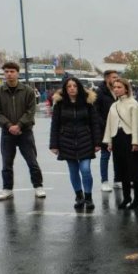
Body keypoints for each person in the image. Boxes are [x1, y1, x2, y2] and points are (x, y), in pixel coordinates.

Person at [0, 62, 46, 200]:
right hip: (7, 133)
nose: (9, 74)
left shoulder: (27, 91)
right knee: (6, 163)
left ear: (18, 73)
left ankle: (38, 186)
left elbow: (30, 111)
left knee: (32, 161)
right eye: (7, 71)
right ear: (4, 74)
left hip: (25, 132)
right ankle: (7, 189)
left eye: (12, 71)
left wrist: (19, 125)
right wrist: (9, 125)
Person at [49, 77, 102, 210]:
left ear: (79, 87)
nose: (72, 88)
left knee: (85, 169)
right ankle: (79, 196)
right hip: (66, 141)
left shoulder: (87, 103)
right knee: (73, 170)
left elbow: (94, 123)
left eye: (74, 86)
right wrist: (53, 144)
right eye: (69, 86)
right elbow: (54, 125)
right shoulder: (59, 104)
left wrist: (97, 142)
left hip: (86, 140)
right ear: (65, 89)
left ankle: (88, 197)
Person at [103, 78, 138, 210]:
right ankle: (126, 197)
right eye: (114, 87)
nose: (116, 89)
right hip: (117, 138)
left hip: (129, 137)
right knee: (121, 170)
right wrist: (109, 141)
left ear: (126, 88)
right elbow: (109, 124)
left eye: (119, 87)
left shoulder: (133, 104)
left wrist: (136, 142)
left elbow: (137, 124)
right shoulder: (113, 106)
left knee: (133, 170)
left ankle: (137, 199)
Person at [95, 70, 120, 192]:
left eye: (117, 77)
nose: (116, 79)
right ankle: (104, 181)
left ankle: (117, 179)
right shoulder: (100, 92)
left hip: (119, 129)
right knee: (105, 156)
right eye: (114, 77)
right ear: (107, 79)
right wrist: (105, 125)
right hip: (105, 129)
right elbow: (96, 112)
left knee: (118, 155)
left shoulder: (119, 91)